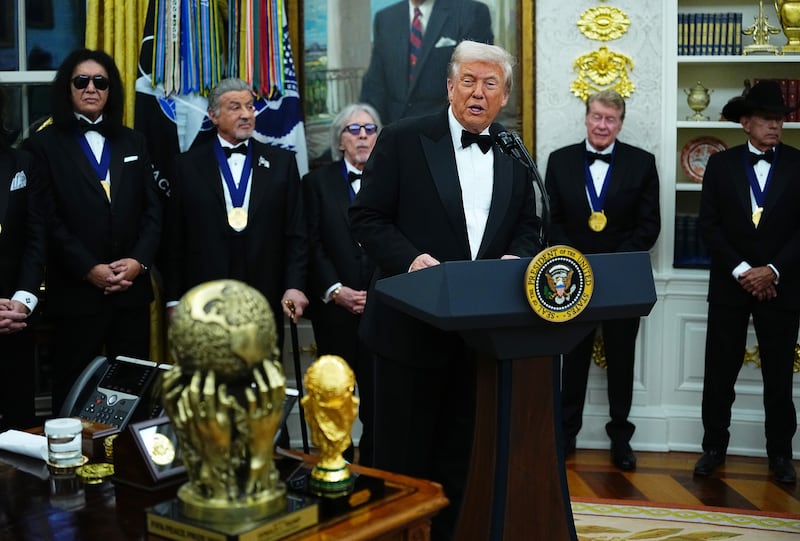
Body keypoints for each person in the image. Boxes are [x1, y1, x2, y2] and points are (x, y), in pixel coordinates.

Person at [349, 40, 541, 541]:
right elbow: (367, 217)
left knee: (464, 459)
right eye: (469, 81)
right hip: (407, 332)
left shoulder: (514, 150)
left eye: (490, 84)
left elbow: (528, 224)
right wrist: (411, 260)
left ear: (504, 96)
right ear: (450, 86)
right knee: (399, 462)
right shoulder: (403, 138)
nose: (479, 92)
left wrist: (517, 258)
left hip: (479, 338)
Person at [25, 49, 162, 415]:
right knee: (73, 395)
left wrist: (138, 262)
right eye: (81, 81)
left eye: (100, 82)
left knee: (132, 394)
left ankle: (127, 455)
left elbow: (153, 211)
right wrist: (88, 268)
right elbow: (47, 219)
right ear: (67, 88)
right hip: (76, 293)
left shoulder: (134, 141)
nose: (91, 88)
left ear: (110, 89)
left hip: (130, 292)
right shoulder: (42, 146)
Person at [545, 89, 661, 471]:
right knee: (572, 360)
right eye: (596, 116)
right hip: (570, 279)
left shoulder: (642, 163)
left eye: (610, 119)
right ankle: (566, 436)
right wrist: (578, 263)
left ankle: (620, 439)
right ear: (586, 117)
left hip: (621, 280)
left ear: (620, 124)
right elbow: (551, 221)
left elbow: (649, 226)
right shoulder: (559, 161)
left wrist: (608, 265)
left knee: (622, 361)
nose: (602, 125)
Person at [694, 80, 800, 484]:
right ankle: (713, 448)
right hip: (730, 286)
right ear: (745, 123)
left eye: (780, 119)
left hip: (781, 287)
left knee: (779, 377)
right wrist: (743, 271)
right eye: (767, 119)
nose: (775, 126)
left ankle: (781, 455)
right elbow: (709, 226)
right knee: (719, 374)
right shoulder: (720, 165)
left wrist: (772, 270)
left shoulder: (798, 164)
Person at [163, 77, 308, 355]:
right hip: (205, 296)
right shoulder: (186, 166)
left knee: (263, 372)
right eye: (235, 107)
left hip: (266, 293)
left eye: (250, 106)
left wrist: (295, 286)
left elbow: (297, 233)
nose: (246, 114)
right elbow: (174, 239)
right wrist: (173, 299)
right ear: (213, 115)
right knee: (210, 372)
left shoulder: (282, 163)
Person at [302, 103, 381, 466]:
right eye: (354, 129)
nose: (363, 136)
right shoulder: (316, 183)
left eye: (370, 129)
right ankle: (337, 467)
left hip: (382, 312)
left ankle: (378, 474)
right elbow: (311, 243)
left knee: (379, 400)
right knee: (334, 397)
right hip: (335, 314)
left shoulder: (394, 181)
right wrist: (335, 290)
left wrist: (375, 294)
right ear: (339, 140)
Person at [359, 0, 493, 125]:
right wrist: (367, 126)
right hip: (396, 131)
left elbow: (476, 81)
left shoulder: (472, 13)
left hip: (446, 131)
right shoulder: (385, 18)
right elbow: (375, 83)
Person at [0, 88, 46, 430]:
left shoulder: (21, 163)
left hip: (15, 320)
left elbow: (36, 238)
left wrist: (23, 300)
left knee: (20, 428)